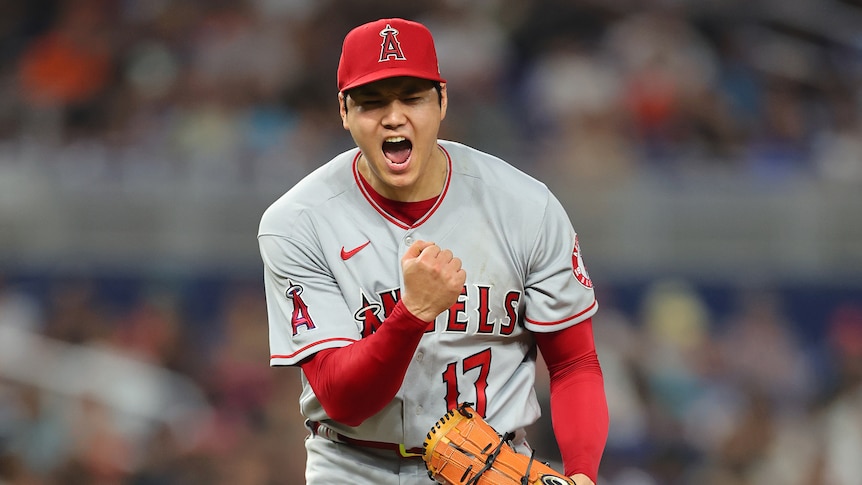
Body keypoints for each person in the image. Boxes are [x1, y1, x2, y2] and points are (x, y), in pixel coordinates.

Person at [258, 17, 608, 485]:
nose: (394, 116)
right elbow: (343, 399)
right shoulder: (299, 221)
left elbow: (574, 362)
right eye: (372, 101)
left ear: (442, 101)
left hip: (495, 468)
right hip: (353, 465)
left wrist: (583, 473)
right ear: (343, 111)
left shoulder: (525, 206)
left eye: (412, 97)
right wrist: (412, 314)